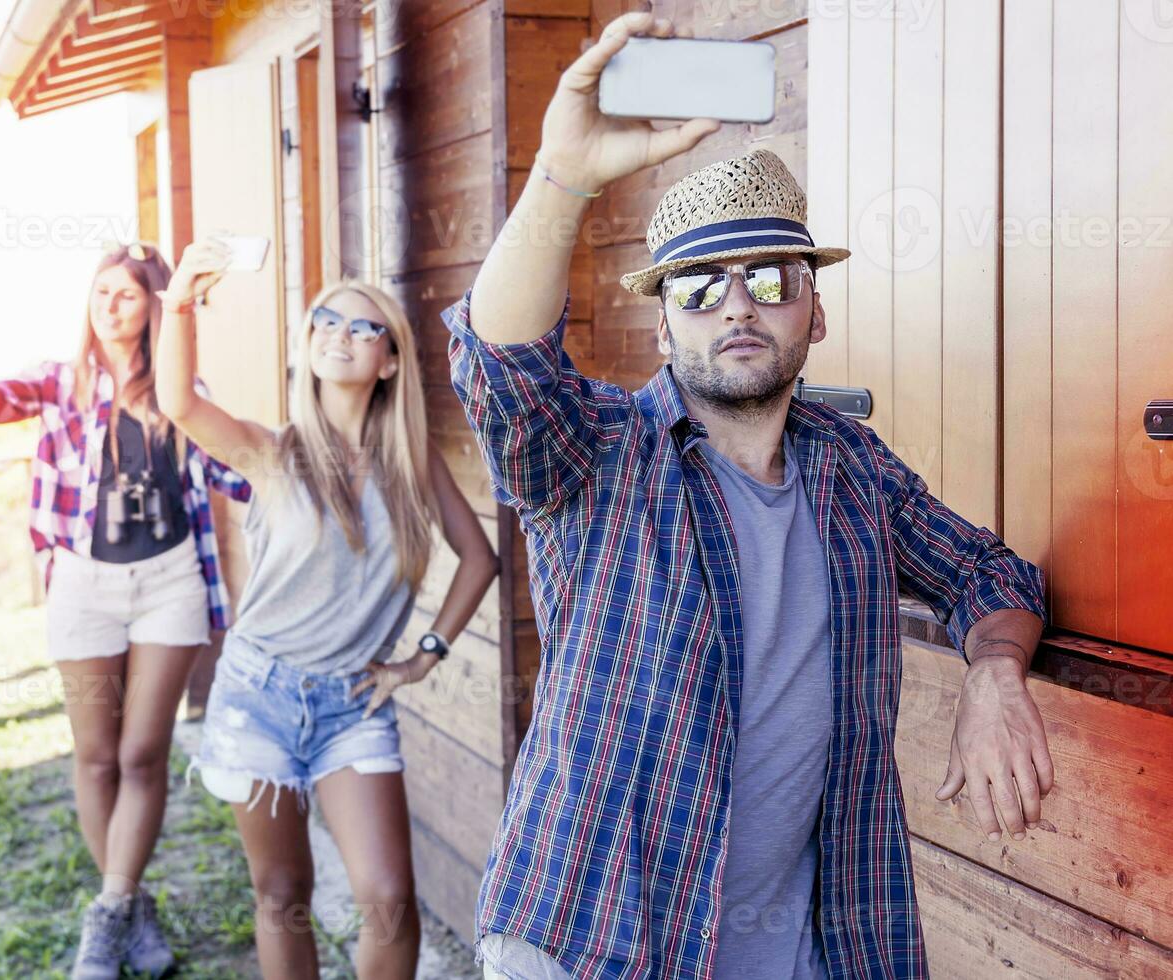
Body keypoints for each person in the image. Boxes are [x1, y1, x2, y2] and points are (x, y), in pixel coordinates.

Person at [444, 12, 1053, 979]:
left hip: (814, 940)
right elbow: (503, 366)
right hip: (602, 939)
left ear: (816, 313)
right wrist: (561, 179)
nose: (736, 303)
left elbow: (991, 571)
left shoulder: (854, 468)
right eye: (697, 285)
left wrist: (994, 674)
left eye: (770, 277)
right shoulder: (596, 457)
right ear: (662, 327)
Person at [154, 239, 500, 980]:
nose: (338, 333)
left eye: (361, 326)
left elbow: (482, 559)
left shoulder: (411, 466)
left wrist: (421, 659)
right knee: (283, 893)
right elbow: (177, 402)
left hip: (354, 702)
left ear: (392, 361)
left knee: (389, 901)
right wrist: (178, 298)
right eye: (324, 320)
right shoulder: (271, 453)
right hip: (259, 697)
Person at [0, 243, 250, 980]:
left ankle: (105, 921)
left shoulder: (179, 390)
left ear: (155, 305)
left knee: (140, 755)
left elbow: (239, 468)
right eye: (101, 292)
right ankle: (128, 907)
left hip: (168, 585)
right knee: (97, 756)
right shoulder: (59, 382)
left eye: (127, 295)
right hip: (82, 585)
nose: (110, 305)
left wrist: (314, 464)